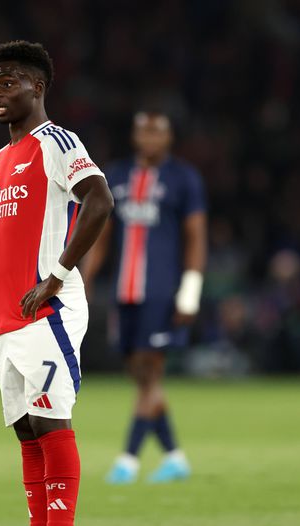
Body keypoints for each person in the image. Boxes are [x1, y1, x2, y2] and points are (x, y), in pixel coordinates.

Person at [0, 41, 113, 526]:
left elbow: (99, 200)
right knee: (28, 432)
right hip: (7, 317)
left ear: (38, 87)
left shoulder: (56, 142)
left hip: (48, 310)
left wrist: (56, 275)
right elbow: (6, 237)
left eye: (8, 82)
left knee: (52, 423)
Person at [81, 110, 207, 484]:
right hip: (125, 292)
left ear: (169, 137)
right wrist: (85, 277)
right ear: (135, 136)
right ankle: (175, 457)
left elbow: (196, 236)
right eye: (144, 132)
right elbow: (101, 233)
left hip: (161, 292)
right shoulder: (117, 176)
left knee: (151, 373)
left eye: (157, 132)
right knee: (140, 376)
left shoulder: (183, 178)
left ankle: (128, 459)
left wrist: (190, 292)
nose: (150, 138)